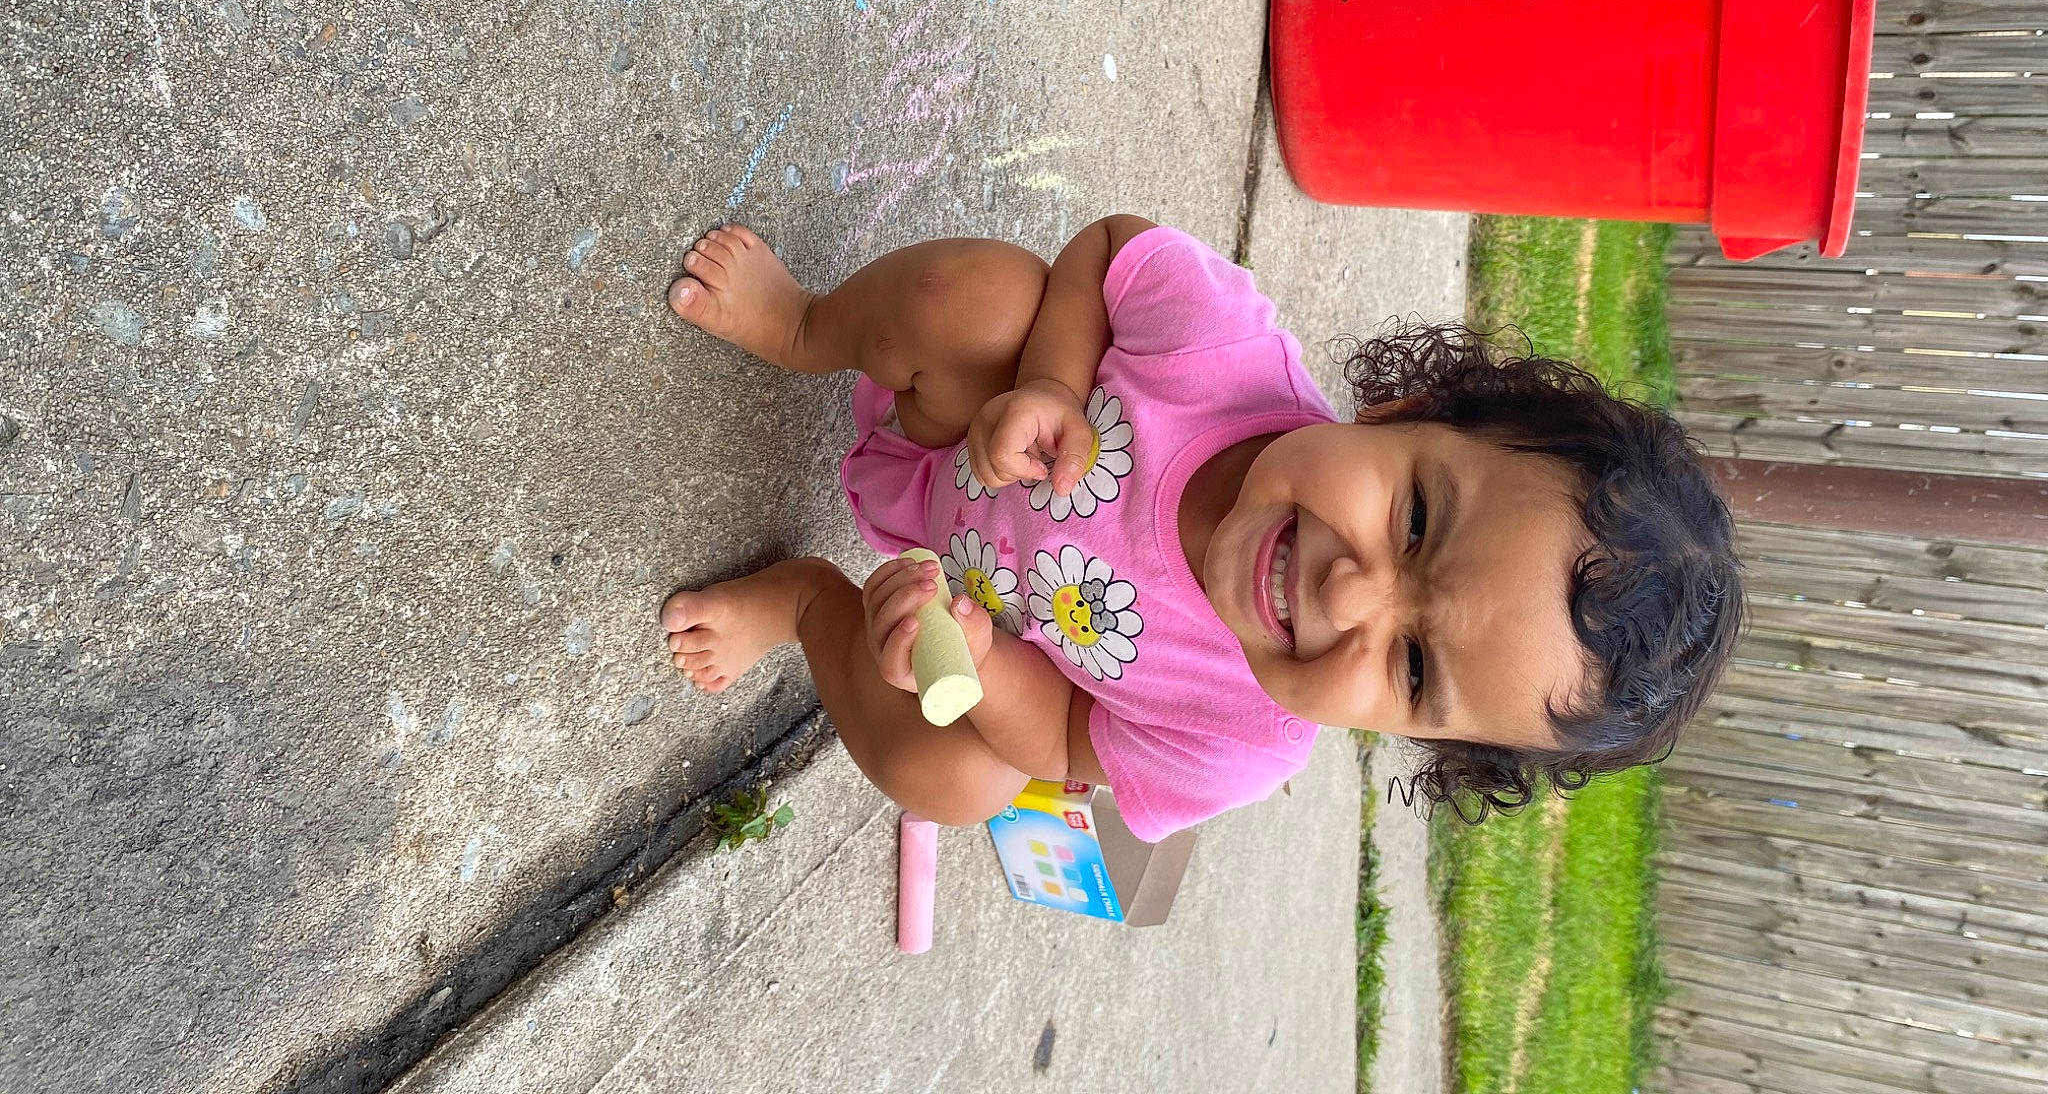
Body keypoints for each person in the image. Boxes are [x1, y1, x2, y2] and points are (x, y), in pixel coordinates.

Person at [658, 216, 1741, 840]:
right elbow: (1107, 251)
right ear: (1408, 413)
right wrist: (1051, 382)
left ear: (1411, 735)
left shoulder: (1237, 742)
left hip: (941, 595)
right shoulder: (1220, 352)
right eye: (1415, 521)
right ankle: (805, 324)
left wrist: (979, 666)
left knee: (961, 782)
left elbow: (1069, 740)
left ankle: (807, 603)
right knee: (980, 296)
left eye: (1412, 667)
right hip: (949, 413)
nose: (1346, 593)